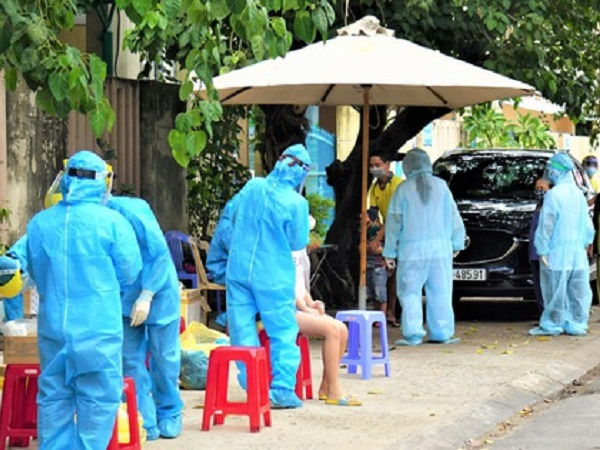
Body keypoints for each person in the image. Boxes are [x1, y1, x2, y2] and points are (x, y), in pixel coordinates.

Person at [25, 150, 143, 449]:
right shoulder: (113, 222)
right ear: (102, 181)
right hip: (98, 328)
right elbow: (130, 271)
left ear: (64, 179)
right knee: (99, 398)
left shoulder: (39, 224)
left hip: (54, 327)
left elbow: (36, 271)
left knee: (54, 395)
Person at [219, 143, 311, 409]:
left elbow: (231, 217)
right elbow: (297, 242)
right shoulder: (297, 203)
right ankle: (281, 389)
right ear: (301, 172)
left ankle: (254, 386)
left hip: (238, 268)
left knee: (241, 329)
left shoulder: (252, 187)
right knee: (282, 330)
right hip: (272, 273)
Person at [108, 196, 184, 440]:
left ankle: (170, 411)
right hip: (124, 295)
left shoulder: (130, 211)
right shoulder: (89, 221)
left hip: (159, 291)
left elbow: (160, 254)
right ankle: (142, 417)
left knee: (164, 356)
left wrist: (147, 294)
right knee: (129, 359)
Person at [382, 148, 465, 346]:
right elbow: (454, 217)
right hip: (440, 249)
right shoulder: (441, 186)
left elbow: (393, 223)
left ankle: (413, 333)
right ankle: (442, 333)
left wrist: (390, 252)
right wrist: (457, 242)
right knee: (441, 291)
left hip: (411, 251)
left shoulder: (402, 189)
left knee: (410, 292)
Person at [530, 153, 595, 336]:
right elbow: (587, 226)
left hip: (556, 252)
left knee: (555, 291)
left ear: (556, 171)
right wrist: (585, 243)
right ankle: (576, 323)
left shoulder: (554, 195)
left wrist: (542, 248)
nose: (549, 172)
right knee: (578, 291)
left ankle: (553, 323)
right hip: (577, 253)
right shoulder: (578, 194)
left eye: (551, 169)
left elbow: (547, 225)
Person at [292, 248, 360, 406]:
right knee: (332, 330)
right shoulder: (281, 248)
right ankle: (334, 390)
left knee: (342, 329)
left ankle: (326, 386)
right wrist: (306, 308)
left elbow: (301, 287)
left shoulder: (299, 251)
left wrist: (311, 303)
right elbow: (287, 287)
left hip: (300, 307)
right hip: (286, 309)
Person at [369, 153, 403, 327]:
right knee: (383, 271)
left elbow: (394, 218)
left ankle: (392, 313)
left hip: (401, 232)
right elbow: (374, 214)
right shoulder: (375, 187)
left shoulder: (398, 185)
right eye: (372, 165)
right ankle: (382, 312)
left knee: (395, 274)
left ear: (387, 165)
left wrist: (377, 239)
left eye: (378, 164)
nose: (374, 168)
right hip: (387, 232)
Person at [365, 207, 392, 324]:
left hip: (379, 265)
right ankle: (376, 317)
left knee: (380, 294)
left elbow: (381, 248)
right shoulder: (365, 231)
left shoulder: (378, 231)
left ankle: (381, 318)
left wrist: (374, 248)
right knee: (373, 293)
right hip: (369, 264)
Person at [529, 178, 551, 315]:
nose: (539, 192)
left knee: (548, 287)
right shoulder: (537, 208)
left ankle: (549, 315)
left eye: (542, 189)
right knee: (538, 286)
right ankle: (543, 314)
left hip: (547, 255)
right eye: (537, 189)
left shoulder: (551, 209)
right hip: (535, 254)